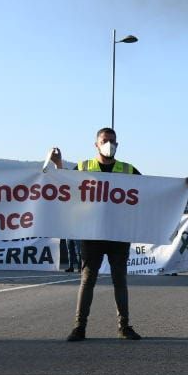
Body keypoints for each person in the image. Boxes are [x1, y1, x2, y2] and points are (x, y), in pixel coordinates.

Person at [48, 127, 141, 341]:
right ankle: (79, 327)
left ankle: (124, 326)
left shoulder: (128, 169)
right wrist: (57, 164)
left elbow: (152, 190)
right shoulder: (83, 167)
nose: (110, 144)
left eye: (113, 141)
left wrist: (180, 186)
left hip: (118, 233)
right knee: (88, 279)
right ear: (96, 144)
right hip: (91, 233)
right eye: (106, 140)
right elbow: (64, 184)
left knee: (120, 280)